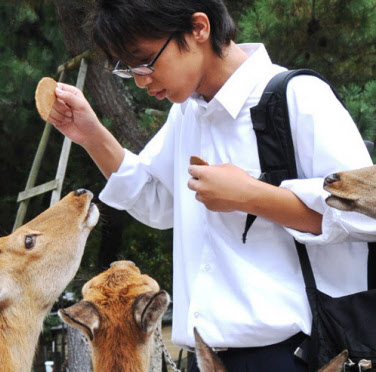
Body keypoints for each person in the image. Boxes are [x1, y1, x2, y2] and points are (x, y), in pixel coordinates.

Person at [46, 1, 376, 371]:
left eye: (144, 60)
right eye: (127, 69)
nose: (140, 79)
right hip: (205, 358)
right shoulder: (187, 112)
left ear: (198, 28)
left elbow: (369, 216)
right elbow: (158, 202)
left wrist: (252, 196)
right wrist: (91, 135)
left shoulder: (298, 97)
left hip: (293, 355)